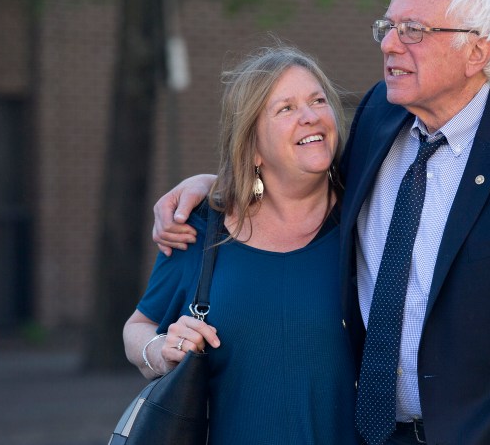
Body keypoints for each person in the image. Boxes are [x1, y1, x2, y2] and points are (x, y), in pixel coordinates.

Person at [150, 0, 490, 445]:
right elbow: (302, 172)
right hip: (372, 434)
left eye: (414, 32)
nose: (390, 45)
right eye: (388, 27)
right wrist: (215, 185)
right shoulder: (382, 114)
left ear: (478, 51)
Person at [123, 44, 360, 444]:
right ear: (252, 148)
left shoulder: (367, 222)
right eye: (285, 109)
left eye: (318, 101)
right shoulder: (200, 229)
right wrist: (161, 349)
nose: (310, 116)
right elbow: (138, 327)